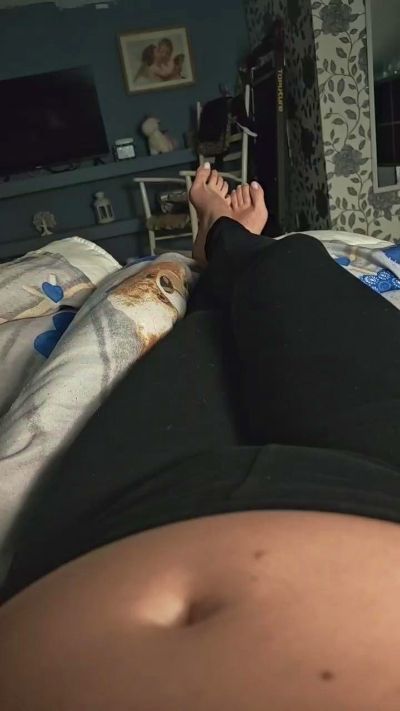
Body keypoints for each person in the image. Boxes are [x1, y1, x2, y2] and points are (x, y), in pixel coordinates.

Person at [2, 163, 400, 709]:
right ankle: (231, 241)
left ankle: (219, 246)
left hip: (114, 526)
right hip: (386, 478)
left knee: (203, 333)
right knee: (292, 269)